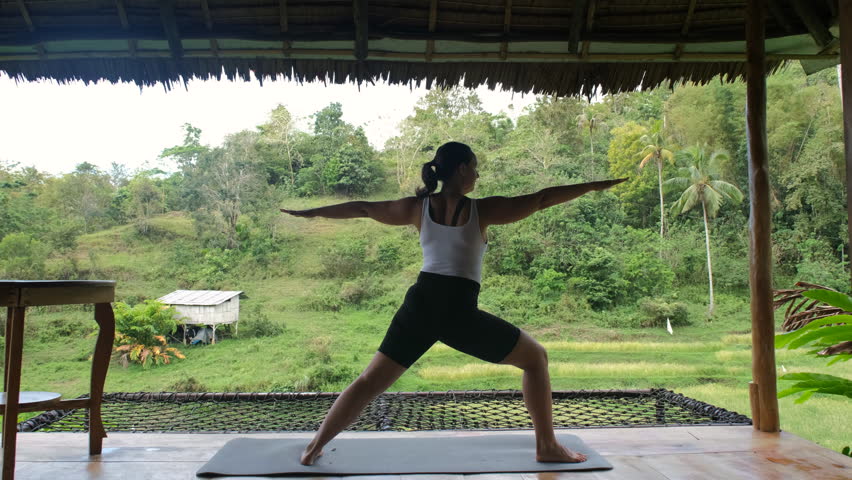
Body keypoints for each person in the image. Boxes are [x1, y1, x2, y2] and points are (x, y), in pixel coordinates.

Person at [281, 141, 626, 466]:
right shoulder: (481, 210)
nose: (478, 175)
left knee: (369, 382)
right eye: (475, 168)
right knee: (536, 358)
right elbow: (541, 199)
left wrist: (313, 212)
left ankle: (314, 448)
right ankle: (547, 446)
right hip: (458, 310)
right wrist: (593, 186)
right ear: (462, 169)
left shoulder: (417, 208)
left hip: (421, 302)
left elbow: (364, 208)